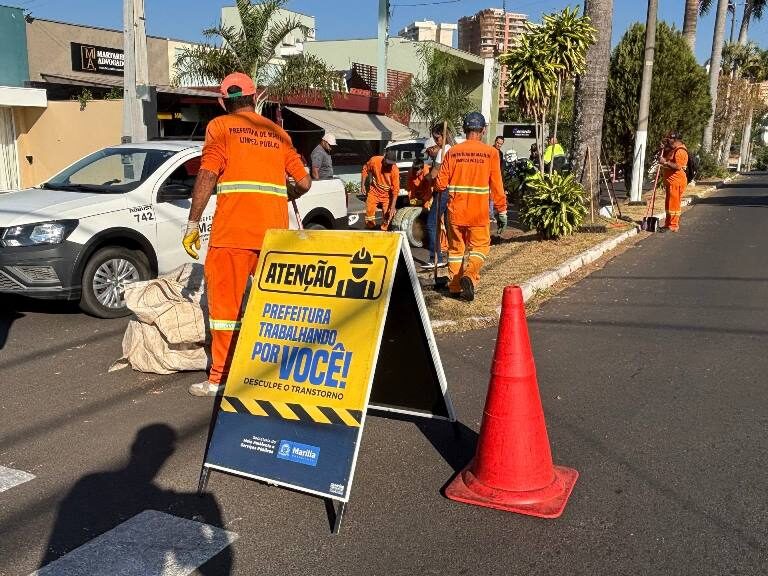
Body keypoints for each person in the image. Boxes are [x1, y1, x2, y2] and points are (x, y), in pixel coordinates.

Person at [182, 72, 311, 397]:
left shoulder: (220, 127)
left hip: (232, 237)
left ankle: (221, 379)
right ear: (255, 97)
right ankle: (278, 376)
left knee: (225, 313)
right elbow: (305, 182)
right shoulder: (278, 133)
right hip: (273, 239)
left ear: (224, 102)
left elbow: (208, 173)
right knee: (274, 309)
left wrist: (193, 223)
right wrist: (286, 194)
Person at [435, 112, 507, 301]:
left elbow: (440, 184)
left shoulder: (452, 152)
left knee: (456, 250)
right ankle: (469, 275)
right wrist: (502, 210)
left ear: (465, 130)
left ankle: (455, 286)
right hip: (479, 213)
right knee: (480, 248)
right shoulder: (491, 153)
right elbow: (497, 185)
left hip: (456, 212)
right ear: (482, 131)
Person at [422, 124, 453, 270]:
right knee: (448, 224)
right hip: (450, 190)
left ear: (443, 135)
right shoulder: (453, 149)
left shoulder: (444, 150)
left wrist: (425, 177)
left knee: (431, 223)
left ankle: (436, 257)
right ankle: (452, 255)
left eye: (437, 137)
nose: (436, 141)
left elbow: (434, 174)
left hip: (443, 190)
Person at [361, 149, 399, 230]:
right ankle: (370, 228)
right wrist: (362, 185)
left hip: (387, 195)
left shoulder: (394, 170)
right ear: (384, 158)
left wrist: (392, 207)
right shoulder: (374, 160)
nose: (389, 166)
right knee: (369, 212)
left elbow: (395, 190)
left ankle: (384, 230)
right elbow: (365, 169)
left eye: (391, 164)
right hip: (374, 192)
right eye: (388, 163)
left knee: (387, 216)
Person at [658, 131, 689, 232]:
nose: (668, 141)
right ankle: (668, 223)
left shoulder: (681, 151)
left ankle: (673, 225)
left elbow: (677, 166)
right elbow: (666, 157)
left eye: (669, 139)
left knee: (674, 205)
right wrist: (662, 149)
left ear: (675, 140)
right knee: (669, 204)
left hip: (677, 182)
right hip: (671, 182)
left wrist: (665, 162)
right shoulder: (673, 149)